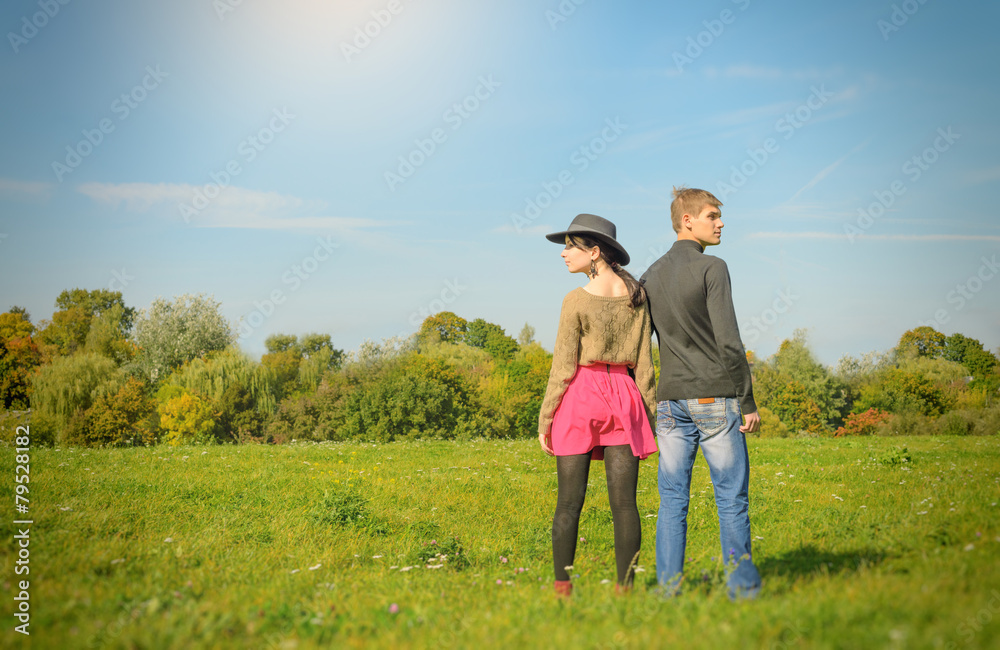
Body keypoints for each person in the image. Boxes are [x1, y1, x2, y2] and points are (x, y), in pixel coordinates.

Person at [640, 187, 762, 599]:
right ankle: (742, 590)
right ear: (687, 220)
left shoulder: (650, 275)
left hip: (670, 403)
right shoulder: (713, 268)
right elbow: (729, 341)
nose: (721, 222)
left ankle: (667, 590)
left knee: (672, 500)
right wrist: (746, 400)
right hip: (714, 396)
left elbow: (644, 346)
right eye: (713, 216)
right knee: (730, 498)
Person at [538, 213, 658, 597]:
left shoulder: (574, 299)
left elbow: (562, 366)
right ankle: (626, 590)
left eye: (569, 248)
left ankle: (563, 588)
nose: (563, 255)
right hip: (625, 398)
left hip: (581, 397)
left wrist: (545, 420)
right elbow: (645, 365)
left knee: (568, 503)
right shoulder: (637, 296)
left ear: (593, 252)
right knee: (625, 505)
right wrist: (651, 418)